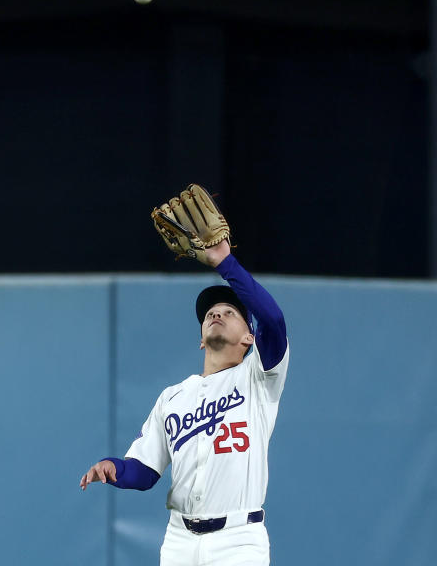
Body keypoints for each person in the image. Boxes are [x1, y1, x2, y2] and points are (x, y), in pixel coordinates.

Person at [80, 238, 288, 566]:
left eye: (230, 312)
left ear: (249, 337)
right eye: (210, 313)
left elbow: (274, 322)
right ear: (201, 340)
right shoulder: (173, 398)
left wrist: (225, 263)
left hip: (238, 541)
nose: (217, 313)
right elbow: (145, 471)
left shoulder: (259, 377)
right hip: (179, 540)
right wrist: (115, 468)